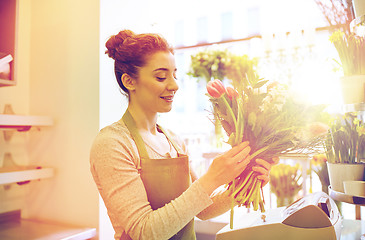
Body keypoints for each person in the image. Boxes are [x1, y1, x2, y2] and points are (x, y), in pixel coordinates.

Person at [90, 29, 277, 240]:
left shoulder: (173, 140)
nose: (174, 85)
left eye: (174, 75)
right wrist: (212, 178)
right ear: (129, 81)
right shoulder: (112, 143)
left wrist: (245, 183)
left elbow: (203, 210)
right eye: (161, 77)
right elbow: (145, 232)